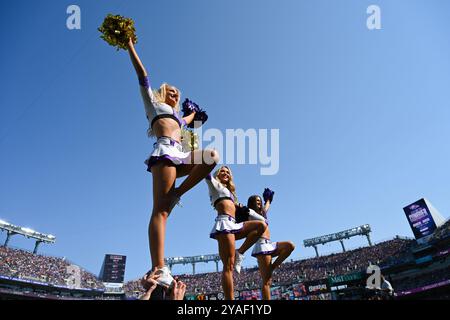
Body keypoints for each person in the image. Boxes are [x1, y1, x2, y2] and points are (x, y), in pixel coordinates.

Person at [127, 38, 219, 288]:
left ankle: (178, 192)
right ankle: (159, 267)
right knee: (161, 210)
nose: (175, 93)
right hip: (164, 153)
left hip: (180, 153)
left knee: (211, 156)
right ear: (162, 91)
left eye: (177, 92)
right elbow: (142, 74)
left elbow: (193, 116)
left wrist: (196, 114)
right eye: (171, 90)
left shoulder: (179, 117)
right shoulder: (153, 105)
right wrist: (129, 45)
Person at [206, 166, 268, 300]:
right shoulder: (214, 185)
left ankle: (240, 252)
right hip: (224, 225)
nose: (225, 173)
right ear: (217, 174)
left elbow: (261, 219)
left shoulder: (231, 194)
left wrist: (249, 211)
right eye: (222, 171)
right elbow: (206, 173)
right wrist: (202, 157)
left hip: (233, 225)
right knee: (228, 266)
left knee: (261, 225)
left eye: (228, 172)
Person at [246, 189, 295, 300]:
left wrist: (268, 199)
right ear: (251, 203)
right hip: (262, 246)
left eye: (260, 201)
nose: (259, 203)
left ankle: (272, 266)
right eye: (256, 201)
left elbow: (266, 207)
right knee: (267, 281)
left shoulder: (262, 213)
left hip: (270, 244)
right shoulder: (249, 214)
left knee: (290, 246)